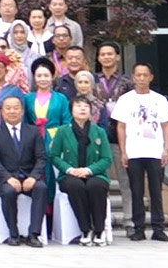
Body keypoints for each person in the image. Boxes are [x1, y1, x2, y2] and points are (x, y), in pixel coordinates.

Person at [112, 60, 168, 242]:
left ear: (151, 77)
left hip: (154, 151)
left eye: (144, 75)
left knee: (156, 191)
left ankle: (158, 227)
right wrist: (123, 151)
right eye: (138, 75)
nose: (141, 78)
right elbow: (121, 127)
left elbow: (166, 126)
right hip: (133, 152)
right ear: (133, 77)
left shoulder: (159, 100)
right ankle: (138, 228)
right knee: (136, 190)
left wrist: (166, 149)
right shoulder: (125, 100)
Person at [0, 93, 49, 246]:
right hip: (6, 178)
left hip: (29, 177)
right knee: (8, 191)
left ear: (22, 111)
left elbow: (41, 157)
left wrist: (33, 177)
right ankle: (13, 234)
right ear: (2, 111)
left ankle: (33, 234)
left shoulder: (33, 131)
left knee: (41, 188)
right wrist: (8, 178)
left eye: (16, 108)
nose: (12, 111)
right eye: (8, 108)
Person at [52, 94, 114, 245]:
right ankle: (85, 230)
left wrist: (89, 170)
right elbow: (54, 156)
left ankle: (99, 231)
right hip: (70, 175)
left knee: (96, 186)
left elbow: (107, 159)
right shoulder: (62, 131)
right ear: (71, 110)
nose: (82, 109)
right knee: (76, 186)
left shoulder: (99, 131)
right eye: (78, 106)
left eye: (86, 106)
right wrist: (69, 170)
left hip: (95, 174)